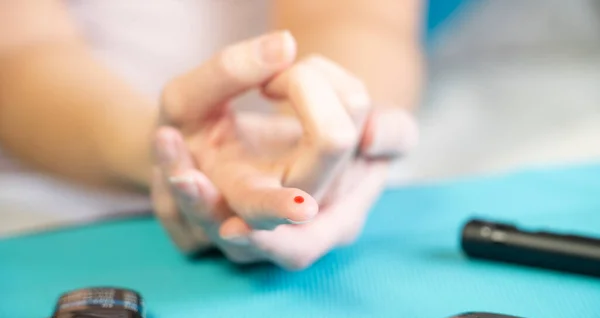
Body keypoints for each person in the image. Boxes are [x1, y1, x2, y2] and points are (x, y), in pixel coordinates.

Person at [0, 0, 422, 269]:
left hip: (295, 175)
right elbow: (19, 50)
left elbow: (357, 18)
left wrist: (332, 128)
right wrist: (165, 150)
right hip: (72, 172)